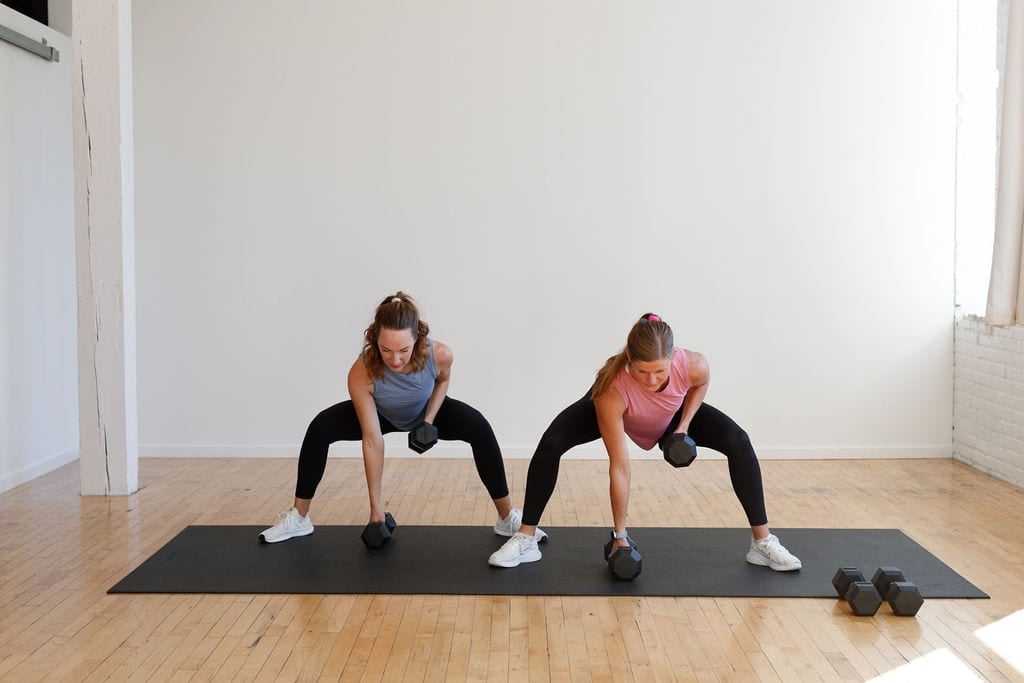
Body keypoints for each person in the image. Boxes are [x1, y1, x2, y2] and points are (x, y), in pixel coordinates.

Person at [488, 313, 800, 572]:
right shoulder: (612, 387)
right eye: (643, 371)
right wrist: (620, 535)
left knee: (739, 441)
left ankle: (762, 543)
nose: (651, 381)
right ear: (630, 360)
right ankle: (526, 537)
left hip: (669, 418)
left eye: (659, 372)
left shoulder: (693, 365)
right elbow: (620, 467)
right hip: (621, 408)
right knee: (551, 444)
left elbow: (700, 385)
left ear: (673, 359)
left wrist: (684, 426)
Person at [260, 292, 544, 545]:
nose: (395, 360)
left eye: (403, 351)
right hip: (381, 414)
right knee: (320, 428)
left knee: (479, 428)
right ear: (374, 339)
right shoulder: (361, 371)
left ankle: (507, 519)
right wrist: (376, 509)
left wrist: (429, 420)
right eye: (386, 350)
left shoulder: (440, 354)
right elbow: (372, 440)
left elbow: (442, 382)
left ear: (417, 339)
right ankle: (300, 517)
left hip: (423, 410)